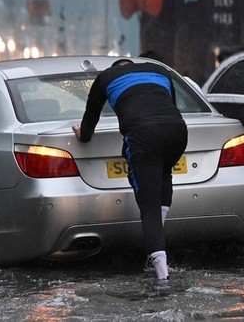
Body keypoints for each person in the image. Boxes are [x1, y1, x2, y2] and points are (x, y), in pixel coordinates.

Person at [138, 50, 244, 254]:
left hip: (156, 147)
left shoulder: (135, 90)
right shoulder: (185, 83)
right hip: (195, 142)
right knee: (227, 202)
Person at [73, 58, 188, 281]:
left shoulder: (105, 77)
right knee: (164, 175)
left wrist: (82, 135)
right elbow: (170, 104)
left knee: (148, 206)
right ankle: (157, 246)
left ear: (115, 69)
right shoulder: (159, 70)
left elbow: (90, 120)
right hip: (177, 131)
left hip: (143, 136)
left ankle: (162, 277)